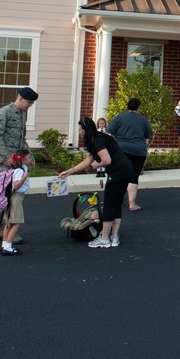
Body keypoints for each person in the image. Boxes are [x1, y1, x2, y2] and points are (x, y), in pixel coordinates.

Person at [59, 117, 132, 248]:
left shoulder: (98, 140)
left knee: (109, 204)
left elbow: (107, 160)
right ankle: (114, 237)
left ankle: (104, 239)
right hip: (125, 170)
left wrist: (96, 165)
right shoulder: (96, 139)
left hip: (118, 172)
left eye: (80, 130)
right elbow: (88, 160)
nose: (79, 132)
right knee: (116, 204)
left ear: (86, 130)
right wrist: (70, 171)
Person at [0, 86, 38, 241]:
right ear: (20, 98)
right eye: (29, 103)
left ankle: (2, 228)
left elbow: (21, 140)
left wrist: (30, 157)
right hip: (3, 162)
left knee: (10, 195)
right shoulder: (4, 113)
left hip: (15, 162)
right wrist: (5, 157)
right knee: (6, 194)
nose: (29, 106)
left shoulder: (21, 114)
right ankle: (1, 229)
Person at [105, 97, 152, 212]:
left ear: (127, 106)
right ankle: (132, 204)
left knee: (118, 175)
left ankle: (116, 202)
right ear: (138, 107)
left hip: (121, 150)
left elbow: (108, 131)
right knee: (133, 176)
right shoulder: (143, 119)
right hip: (138, 151)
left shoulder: (119, 117)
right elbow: (148, 136)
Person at [0, 149, 30, 256]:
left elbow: (28, 164)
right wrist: (24, 177)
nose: (30, 159)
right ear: (23, 159)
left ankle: (4, 244)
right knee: (17, 222)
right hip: (16, 197)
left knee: (10, 222)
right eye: (29, 158)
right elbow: (16, 186)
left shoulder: (22, 168)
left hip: (14, 197)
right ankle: (8, 246)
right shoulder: (20, 171)